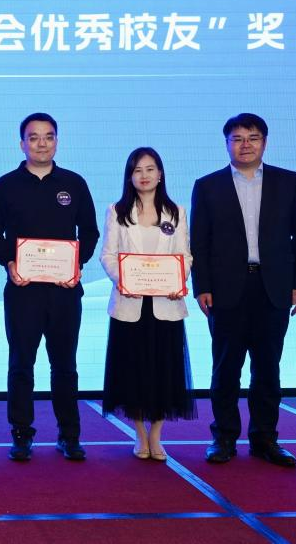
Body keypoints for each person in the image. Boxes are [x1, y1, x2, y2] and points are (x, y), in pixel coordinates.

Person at [191, 113, 296, 467]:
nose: (245, 145)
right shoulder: (208, 185)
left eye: (253, 137)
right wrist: (202, 286)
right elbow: (199, 242)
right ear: (227, 143)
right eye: (237, 138)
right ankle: (224, 438)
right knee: (225, 368)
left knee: (268, 368)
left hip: (273, 286)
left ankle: (265, 440)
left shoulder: (289, 182)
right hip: (226, 289)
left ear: (265, 142)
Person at [0, 112, 99, 462]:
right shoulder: (5, 186)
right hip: (22, 291)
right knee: (21, 364)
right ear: (22, 143)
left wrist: (77, 265)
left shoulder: (74, 183)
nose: (41, 143)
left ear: (57, 141)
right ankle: (21, 434)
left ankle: (69, 435)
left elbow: (90, 232)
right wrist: (9, 263)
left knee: (65, 365)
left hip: (65, 291)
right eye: (33, 137)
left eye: (48, 137)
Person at [99, 147, 196, 462]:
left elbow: (185, 256)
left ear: (160, 174)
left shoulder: (177, 212)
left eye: (150, 169)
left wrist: (177, 280)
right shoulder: (117, 211)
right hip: (130, 306)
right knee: (133, 373)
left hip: (166, 306)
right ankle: (140, 435)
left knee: (164, 373)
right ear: (129, 176)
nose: (144, 175)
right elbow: (108, 255)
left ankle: (157, 435)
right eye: (137, 170)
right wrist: (123, 280)